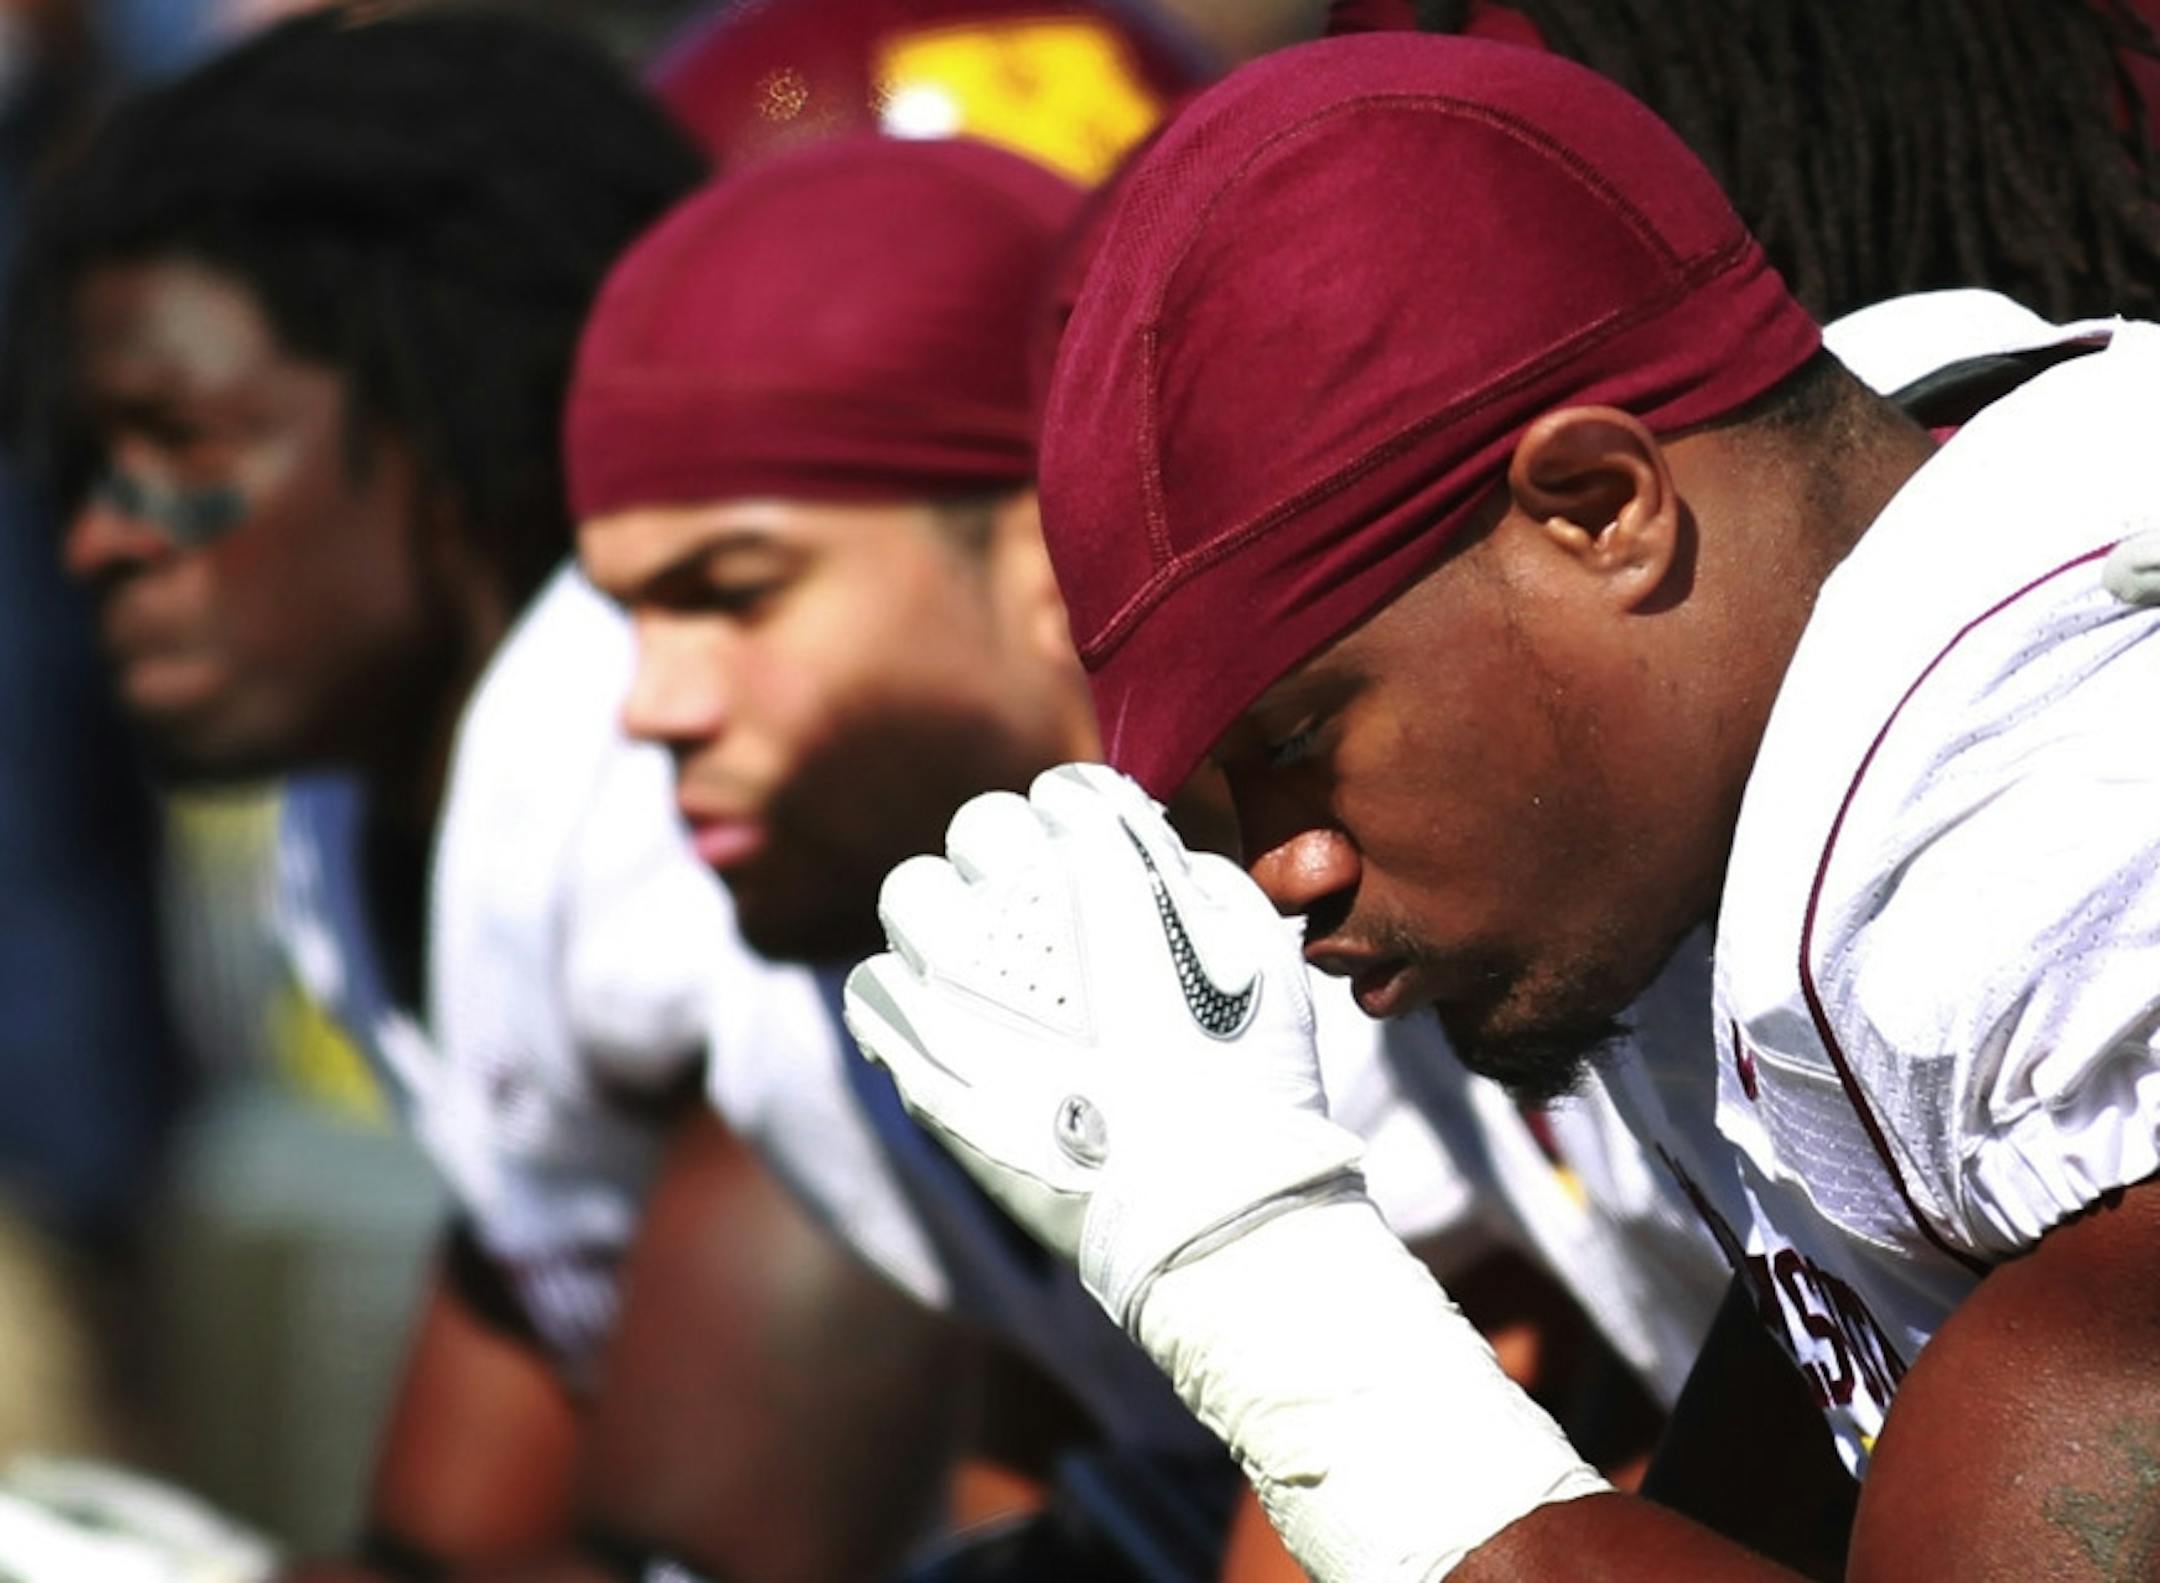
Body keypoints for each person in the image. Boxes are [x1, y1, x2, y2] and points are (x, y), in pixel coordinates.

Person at [844, 32, 2160, 1581]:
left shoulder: (2043, 821)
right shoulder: (1757, 762)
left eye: (1298, 734)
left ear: (1600, 509)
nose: (1285, 870)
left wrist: (1258, 1277)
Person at [569, 128, 1733, 1583]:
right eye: (628, 613)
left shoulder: (1412, 892)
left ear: (1035, 545)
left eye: (736, 592)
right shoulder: (809, 984)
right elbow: (1055, 1442)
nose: (650, 704)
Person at [0, 12, 973, 1582]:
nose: (101, 538)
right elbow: (449, 1543)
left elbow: (721, 1558)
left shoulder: (692, 796)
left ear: (460, 401)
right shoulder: (374, 808)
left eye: (181, 443)